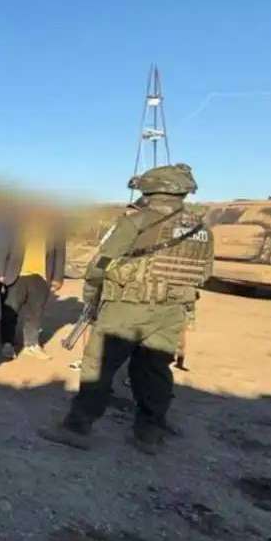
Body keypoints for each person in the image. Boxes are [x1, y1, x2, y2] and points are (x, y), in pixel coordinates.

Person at [40, 164, 213, 455]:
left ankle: (77, 427)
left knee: (99, 366)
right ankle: (149, 433)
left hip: (127, 307)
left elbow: (100, 265)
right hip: (171, 311)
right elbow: (204, 274)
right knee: (154, 369)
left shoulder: (136, 222)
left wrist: (92, 298)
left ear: (150, 189)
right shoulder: (201, 229)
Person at [0, 207, 66, 360]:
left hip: (41, 275)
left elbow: (60, 252)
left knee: (35, 313)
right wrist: (0, 271)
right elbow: (3, 247)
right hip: (16, 274)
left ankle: (31, 345)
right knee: (10, 311)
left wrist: (58, 277)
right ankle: (7, 343)